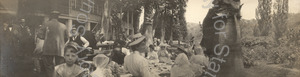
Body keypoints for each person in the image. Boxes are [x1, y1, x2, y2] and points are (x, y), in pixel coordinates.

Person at [41, 11, 69, 77]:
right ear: (58, 16)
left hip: (48, 49)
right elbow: (67, 38)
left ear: (51, 16)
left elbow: (41, 36)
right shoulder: (63, 26)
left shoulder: (46, 24)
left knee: (48, 67)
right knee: (59, 67)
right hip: (60, 50)